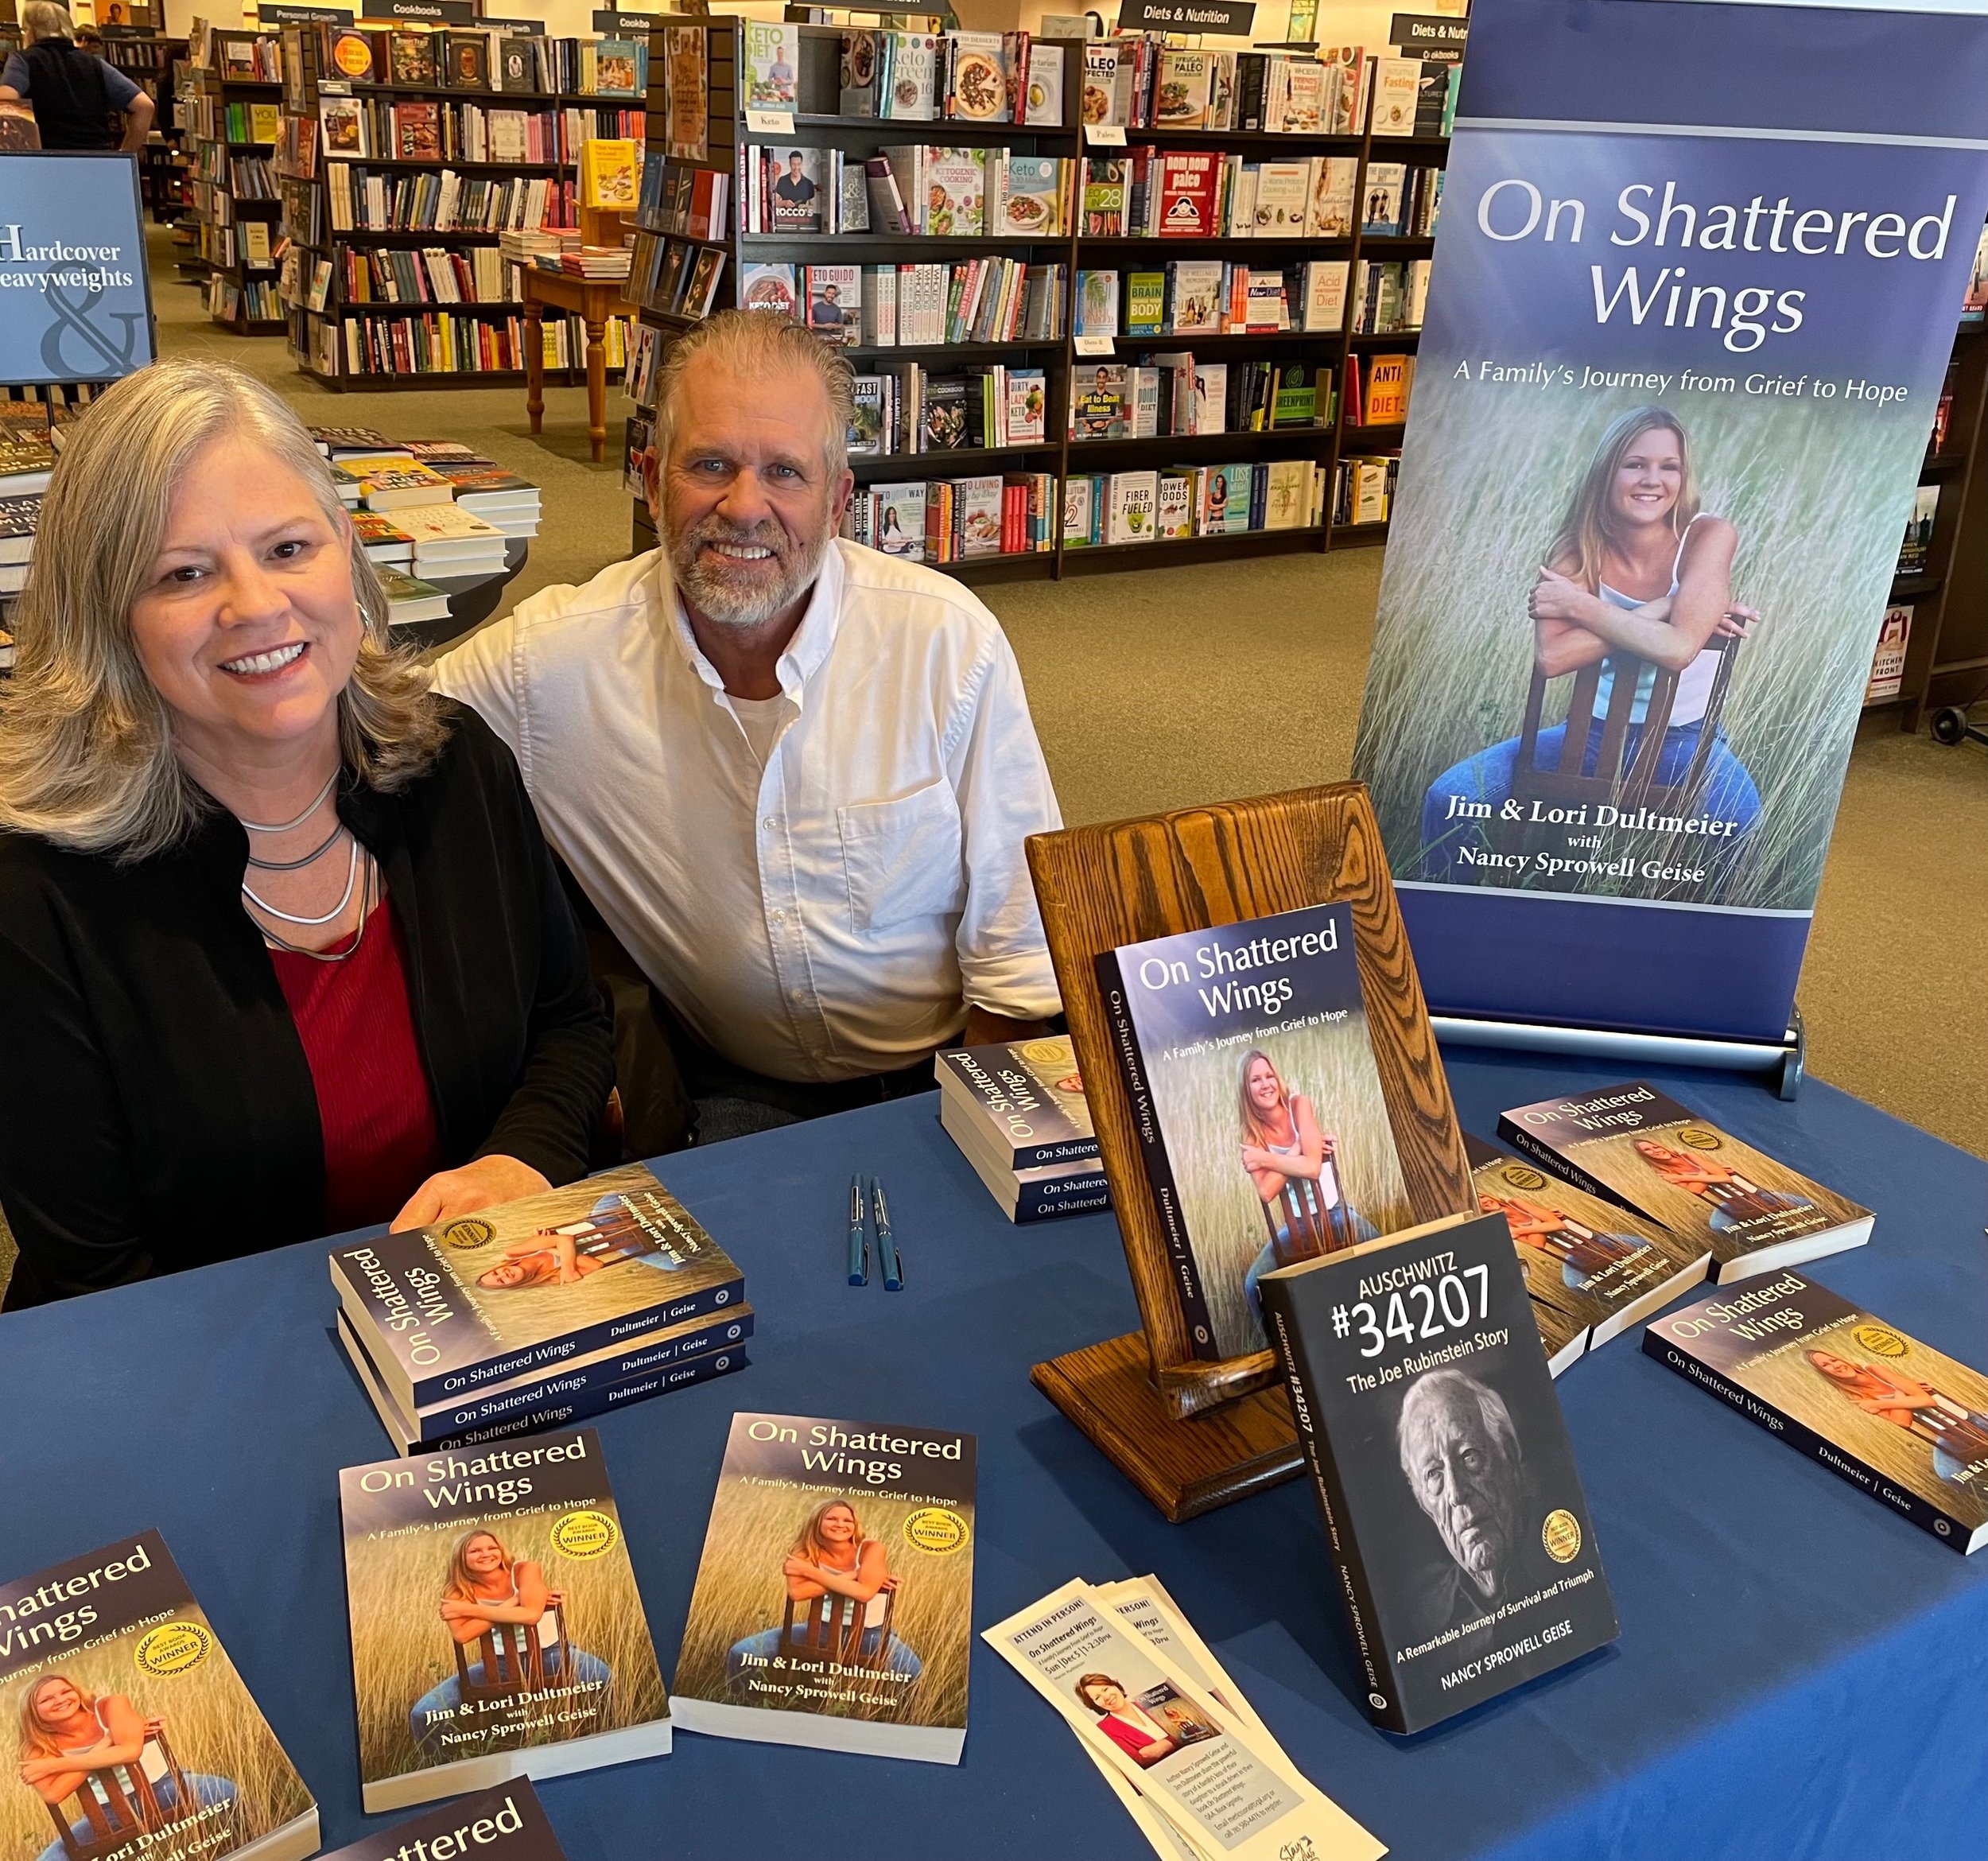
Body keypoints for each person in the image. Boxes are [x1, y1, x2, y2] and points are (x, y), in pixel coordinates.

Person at [0, 359, 614, 1308]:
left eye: (287, 548)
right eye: (184, 573)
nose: (255, 606)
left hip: (481, 1313)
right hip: (208, 1365)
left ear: (345, 553)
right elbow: (97, 1270)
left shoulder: (456, 765)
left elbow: (567, 1023)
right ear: (107, 619)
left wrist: (519, 1165)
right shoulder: (36, 890)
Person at [435, 312, 1062, 1137]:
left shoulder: (945, 642)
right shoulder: (547, 664)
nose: (743, 506)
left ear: (837, 501)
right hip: (730, 1084)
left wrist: (977, 1140)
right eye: (710, 465)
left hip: (947, 1069)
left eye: (785, 473)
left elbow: (1017, 957)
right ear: (653, 476)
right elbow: (378, 732)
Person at [1419, 406, 1762, 886]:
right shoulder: (1577, 548)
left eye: (1670, 467)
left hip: (1682, 742)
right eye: (1635, 464)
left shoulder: (1708, 535)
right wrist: (1667, 606)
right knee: (1448, 798)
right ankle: (1453, 915)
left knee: (1741, 823)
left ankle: (1703, 943)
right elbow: (1553, 657)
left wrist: (1584, 608)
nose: (1652, 480)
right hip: (1588, 736)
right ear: (1609, 470)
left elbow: (1680, 649)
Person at [410, 1530, 610, 1743]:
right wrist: (514, 1601)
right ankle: (454, 1766)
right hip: (498, 1665)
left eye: (491, 1547)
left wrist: (469, 1610)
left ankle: (601, 1740)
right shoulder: (458, 1591)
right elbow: (462, 1634)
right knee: (423, 1714)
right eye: (475, 1550)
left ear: (501, 1550)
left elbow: (531, 1616)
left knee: (602, 1678)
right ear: (462, 1557)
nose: (486, 1554)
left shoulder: (524, 1570)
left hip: (551, 1656)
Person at [18, 1673, 236, 1861]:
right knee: (51, 1858)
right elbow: (53, 1794)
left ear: (76, 1691)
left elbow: (130, 1751)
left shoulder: (110, 1706)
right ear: (32, 1711)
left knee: (226, 1794)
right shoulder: (37, 1745)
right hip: (105, 1813)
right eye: (47, 1699)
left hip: (164, 1788)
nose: (60, 1700)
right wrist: (108, 1741)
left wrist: (55, 1765)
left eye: (66, 1691)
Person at [1237, 1047, 1378, 1320]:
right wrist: (1297, 1148)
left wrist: (1266, 1159)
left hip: (1336, 1214)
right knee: (1254, 1285)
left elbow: (1313, 1169)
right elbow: (1266, 1192)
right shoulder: (1251, 1134)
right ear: (1246, 1088)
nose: (1266, 1084)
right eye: (1256, 1080)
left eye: (1270, 1076)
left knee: (1384, 1249)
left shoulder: (1298, 1105)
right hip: (1297, 1227)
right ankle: (1278, 1349)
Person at [1397, 1368, 1537, 1637]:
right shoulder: (1419, 1619)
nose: (1456, 1494)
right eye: (1434, 1474)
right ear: (1422, 1501)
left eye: (1469, 1456)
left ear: (1508, 1453)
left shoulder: (1566, 1566)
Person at [725, 1499, 922, 1688]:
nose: (840, 1524)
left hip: (869, 1635)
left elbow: (864, 1593)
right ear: (818, 1521)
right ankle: (746, 1709)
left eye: (847, 1520)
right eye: (831, 1519)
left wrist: (809, 1571)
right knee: (741, 1654)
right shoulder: (805, 1552)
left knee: (912, 1673)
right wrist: (852, 1575)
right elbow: (797, 1592)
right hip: (819, 1630)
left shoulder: (871, 1549)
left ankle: (893, 1720)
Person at [1806, 1350, 1988, 1484]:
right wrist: (1905, 1389)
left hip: (1968, 1418)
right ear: (1825, 1374)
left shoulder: (1874, 1370)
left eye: (1833, 1359)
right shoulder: (1858, 1399)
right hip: (1946, 1435)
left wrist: (1882, 1403)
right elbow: (1903, 1421)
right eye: (1826, 1366)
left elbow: (1927, 1401)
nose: (1835, 1365)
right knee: (1948, 1474)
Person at [0, 3, 153, 151]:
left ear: (31, 32)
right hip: (98, 163)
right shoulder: (95, 64)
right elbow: (144, 106)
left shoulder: (22, 60)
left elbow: (6, 101)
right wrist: (125, 154)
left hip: (46, 164)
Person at [474, 1195, 685, 1291]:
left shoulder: (514, 1254)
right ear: (511, 1286)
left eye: (496, 1273)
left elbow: (564, 1239)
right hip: (623, 1245)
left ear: (498, 1268)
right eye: (501, 1281)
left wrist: (562, 1257)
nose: (503, 1276)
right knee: (674, 1264)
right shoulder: (548, 1279)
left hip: (601, 1220)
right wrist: (554, 1246)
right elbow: (597, 1265)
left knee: (613, 1197)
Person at [1631, 1137, 1813, 1230]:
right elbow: (1696, 1191)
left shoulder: (1688, 1156)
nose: (1655, 1150)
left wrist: (1690, 1176)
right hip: (1728, 1203)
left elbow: (1726, 1178)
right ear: (1646, 1156)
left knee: (1807, 1204)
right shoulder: (1665, 1173)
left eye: (1655, 1146)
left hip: (1754, 1193)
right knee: (1718, 1227)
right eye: (1648, 1151)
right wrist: (1706, 1172)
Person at [1477, 1188, 1641, 1289]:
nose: (1486, 1201)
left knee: (1644, 1245)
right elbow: (1538, 1243)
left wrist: (1524, 1228)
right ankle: (1618, 1294)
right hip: (1573, 1253)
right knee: (1574, 1284)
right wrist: (1540, 1218)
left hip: (1594, 1238)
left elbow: (1558, 1225)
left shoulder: (1515, 1202)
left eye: (1483, 1197)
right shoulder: (1503, 1228)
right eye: (1480, 1203)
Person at [1072, 1674, 1213, 1768]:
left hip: (1204, 1756)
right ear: (1095, 1705)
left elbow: (1194, 1725)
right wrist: (1177, 1737)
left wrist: (1166, 1743)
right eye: (1097, 1698)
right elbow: (1139, 1760)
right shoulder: (1105, 1728)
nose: (1106, 1697)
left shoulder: (1149, 1702)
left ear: (1116, 1687)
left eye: (1105, 1689)